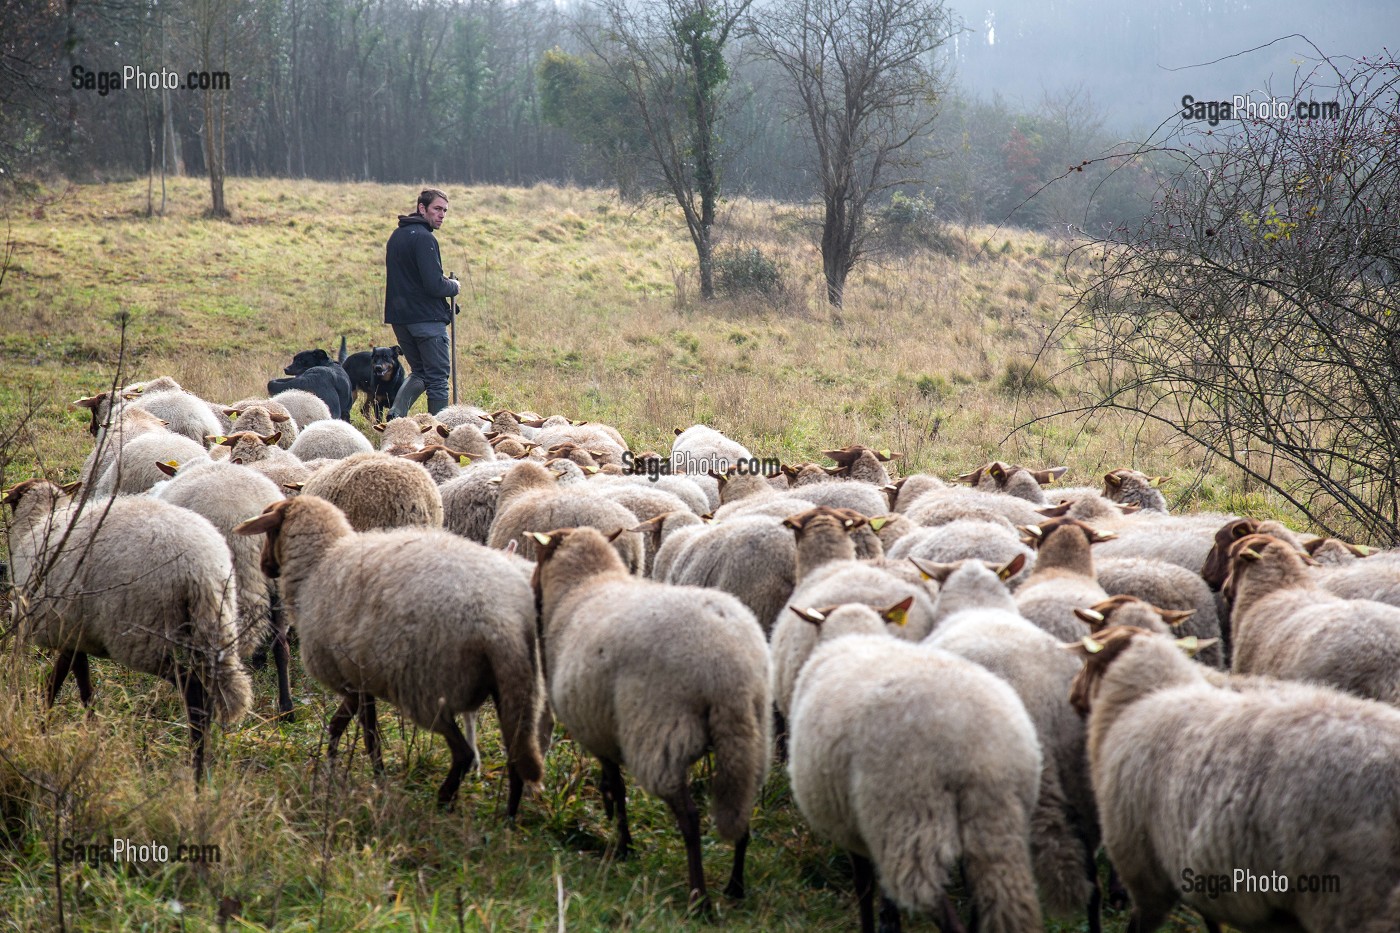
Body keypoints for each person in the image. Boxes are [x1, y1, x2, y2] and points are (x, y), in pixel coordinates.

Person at [384, 187, 460, 417]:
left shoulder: (397, 236)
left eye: (445, 211)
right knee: (437, 379)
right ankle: (440, 431)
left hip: (400, 319)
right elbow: (434, 285)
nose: (442, 215)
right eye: (437, 209)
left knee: (419, 372)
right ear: (421, 208)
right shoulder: (425, 239)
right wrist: (454, 286)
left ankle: (396, 414)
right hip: (426, 320)